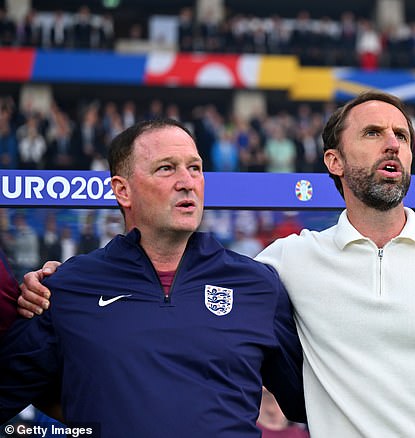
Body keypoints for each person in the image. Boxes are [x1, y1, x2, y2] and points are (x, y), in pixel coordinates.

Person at [18, 92, 415, 437]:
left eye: (402, 135)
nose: (393, 143)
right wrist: (50, 283)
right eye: (373, 133)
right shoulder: (285, 262)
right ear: (334, 162)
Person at [0, 118, 305, 437]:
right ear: (122, 190)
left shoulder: (257, 285)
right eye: (166, 168)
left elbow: (309, 400)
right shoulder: (66, 287)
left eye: (195, 168)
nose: (187, 182)